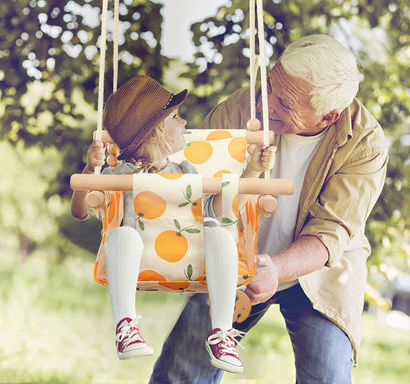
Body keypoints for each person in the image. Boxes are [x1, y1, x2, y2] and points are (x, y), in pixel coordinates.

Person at [149, 34, 389, 383]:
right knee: (181, 371)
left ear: (327, 116)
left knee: (327, 375)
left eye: (285, 103)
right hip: (235, 257)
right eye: (271, 84)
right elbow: (197, 183)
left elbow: (330, 234)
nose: (265, 103)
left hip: (319, 270)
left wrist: (276, 267)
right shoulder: (244, 105)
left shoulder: (366, 142)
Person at [71, 75, 275, 374]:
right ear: (155, 131)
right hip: (141, 257)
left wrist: (253, 169)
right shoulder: (124, 173)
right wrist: (92, 169)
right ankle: (126, 326)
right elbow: (79, 210)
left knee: (219, 234)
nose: (184, 122)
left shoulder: (186, 170)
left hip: (192, 254)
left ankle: (221, 332)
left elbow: (218, 211)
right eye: (176, 117)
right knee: (121, 235)